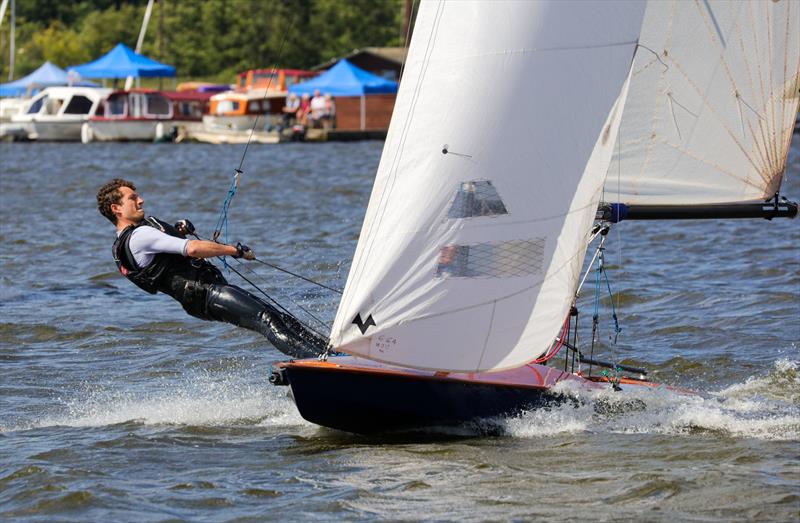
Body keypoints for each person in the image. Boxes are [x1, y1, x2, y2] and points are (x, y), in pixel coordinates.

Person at [96, 178, 327, 359]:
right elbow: (194, 249)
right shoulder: (140, 235)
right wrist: (234, 250)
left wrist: (177, 230)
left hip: (200, 298)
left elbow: (164, 254)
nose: (141, 200)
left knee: (279, 318)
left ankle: (330, 353)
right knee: (267, 319)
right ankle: (321, 362)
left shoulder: (127, 241)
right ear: (116, 209)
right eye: (132, 198)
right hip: (206, 292)